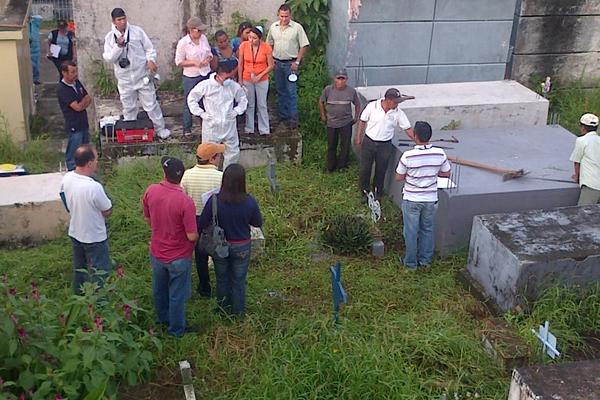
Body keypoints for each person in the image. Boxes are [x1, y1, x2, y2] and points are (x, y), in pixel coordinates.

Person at [142, 156, 199, 337]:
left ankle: (161, 319)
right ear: (182, 177)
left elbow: (148, 219)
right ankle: (176, 330)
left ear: (164, 174)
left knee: (160, 289)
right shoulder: (185, 202)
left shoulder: (151, 191)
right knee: (177, 295)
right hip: (179, 256)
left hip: (157, 252)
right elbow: (191, 235)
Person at [198, 164, 263, 317]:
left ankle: (222, 310)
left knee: (222, 279)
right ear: (243, 181)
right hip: (241, 246)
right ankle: (238, 313)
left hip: (220, 246)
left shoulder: (214, 200)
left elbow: (202, 223)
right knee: (239, 281)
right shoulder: (249, 202)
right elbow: (257, 223)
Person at [102, 7, 171, 139]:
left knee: (151, 105)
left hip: (142, 75)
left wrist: (151, 60)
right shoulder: (110, 37)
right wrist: (118, 46)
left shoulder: (137, 31)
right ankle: (130, 132)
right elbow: (109, 57)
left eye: (124, 18)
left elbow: (149, 49)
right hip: (125, 79)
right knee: (129, 108)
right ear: (113, 21)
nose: (122, 22)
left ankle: (160, 129)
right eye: (119, 20)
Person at [395, 121, 451, 270]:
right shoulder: (440, 153)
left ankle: (411, 263)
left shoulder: (408, 156)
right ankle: (425, 262)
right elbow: (446, 173)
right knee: (427, 229)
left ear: (415, 136)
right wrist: (432, 173)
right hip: (431, 199)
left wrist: (413, 176)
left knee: (411, 231)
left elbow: (398, 177)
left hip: (412, 199)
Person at [60, 145, 113, 294]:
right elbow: (107, 210)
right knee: (100, 272)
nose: (97, 162)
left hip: (76, 231)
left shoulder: (67, 178)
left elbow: (64, 197)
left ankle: (79, 297)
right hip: (94, 236)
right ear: (89, 163)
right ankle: (100, 303)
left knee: (80, 269)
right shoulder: (93, 187)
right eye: (96, 159)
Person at [181, 143, 225, 298]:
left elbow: (182, 197)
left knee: (200, 254)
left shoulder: (187, 174)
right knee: (218, 250)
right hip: (214, 217)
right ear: (212, 159)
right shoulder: (220, 177)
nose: (220, 158)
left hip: (193, 219)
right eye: (218, 156)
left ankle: (204, 287)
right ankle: (222, 286)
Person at [355, 88, 415, 202]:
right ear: (387, 100)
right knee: (365, 169)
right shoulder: (372, 106)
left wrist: (419, 142)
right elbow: (362, 121)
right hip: (369, 142)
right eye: (395, 102)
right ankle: (365, 192)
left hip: (385, 145)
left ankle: (378, 192)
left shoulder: (398, 113)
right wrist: (358, 138)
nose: (397, 104)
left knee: (381, 170)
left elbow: (408, 128)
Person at [187, 62, 248, 168]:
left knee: (232, 152)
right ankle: (210, 176)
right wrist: (200, 113)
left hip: (228, 124)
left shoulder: (233, 86)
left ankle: (228, 176)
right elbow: (192, 99)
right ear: (219, 75)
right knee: (208, 152)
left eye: (230, 77)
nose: (228, 80)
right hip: (211, 125)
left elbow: (243, 98)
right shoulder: (206, 85)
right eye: (226, 78)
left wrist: (237, 111)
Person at [266, 3, 310, 128]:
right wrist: (271, 59)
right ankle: (283, 116)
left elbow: (304, 45)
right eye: (282, 16)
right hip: (277, 63)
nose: (284, 19)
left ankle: (293, 119)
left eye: (286, 16)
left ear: (290, 15)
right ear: (278, 15)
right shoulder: (273, 27)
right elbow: (269, 43)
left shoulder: (297, 28)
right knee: (280, 91)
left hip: (291, 64)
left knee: (291, 92)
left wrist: (297, 61)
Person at [175, 17, 213, 137]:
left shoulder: (203, 39)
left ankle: (205, 127)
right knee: (189, 101)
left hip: (205, 73)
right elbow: (179, 62)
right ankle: (187, 129)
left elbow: (209, 53)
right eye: (199, 30)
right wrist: (194, 63)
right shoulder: (183, 43)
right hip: (191, 76)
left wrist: (207, 59)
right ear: (192, 30)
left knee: (206, 100)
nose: (201, 33)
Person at [319, 68, 361, 172]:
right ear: (334, 79)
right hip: (331, 123)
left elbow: (358, 104)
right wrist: (323, 116)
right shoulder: (328, 90)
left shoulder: (351, 91)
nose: (341, 81)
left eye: (343, 79)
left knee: (345, 146)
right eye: (339, 78)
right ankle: (330, 166)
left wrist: (356, 117)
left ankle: (342, 166)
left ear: (346, 80)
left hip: (346, 122)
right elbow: (321, 102)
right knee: (332, 145)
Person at [57, 61, 92, 171]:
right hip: (74, 125)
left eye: (75, 71)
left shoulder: (77, 83)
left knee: (85, 149)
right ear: (64, 73)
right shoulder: (62, 89)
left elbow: (88, 98)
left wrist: (82, 103)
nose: (75, 74)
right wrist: (82, 103)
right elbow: (77, 107)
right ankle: (72, 170)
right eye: (72, 72)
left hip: (83, 122)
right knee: (74, 150)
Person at [238, 26, 274, 135]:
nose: (251, 40)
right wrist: (240, 79)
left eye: (254, 38)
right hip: (247, 77)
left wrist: (260, 75)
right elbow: (240, 63)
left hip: (261, 78)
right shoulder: (244, 46)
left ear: (259, 38)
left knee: (262, 104)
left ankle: (264, 129)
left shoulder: (266, 47)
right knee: (249, 103)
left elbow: (271, 65)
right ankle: (249, 128)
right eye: (249, 37)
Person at [569, 113, 600, 205]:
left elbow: (577, 161)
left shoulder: (582, 140)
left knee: (584, 214)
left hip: (591, 185)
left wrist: (577, 177)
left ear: (583, 128)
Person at [29, 15, 43, 85]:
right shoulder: (28, 25)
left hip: (36, 49)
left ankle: (35, 79)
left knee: (36, 66)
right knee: (31, 66)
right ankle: (31, 80)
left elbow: (40, 18)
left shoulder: (36, 25)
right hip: (29, 49)